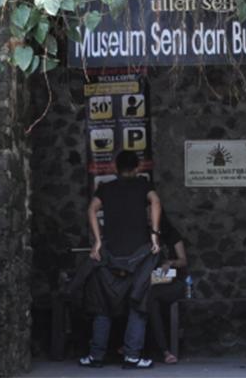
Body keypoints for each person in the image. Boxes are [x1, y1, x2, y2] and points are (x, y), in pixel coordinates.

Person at [73, 151, 162, 370]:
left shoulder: (106, 189)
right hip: (139, 254)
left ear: (115, 167)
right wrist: (154, 233)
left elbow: (91, 209)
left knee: (103, 306)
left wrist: (97, 242)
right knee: (137, 304)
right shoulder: (143, 186)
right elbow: (156, 201)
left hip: (111, 255)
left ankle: (96, 357)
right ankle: (132, 357)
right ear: (138, 167)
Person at [144, 213, 188, 364]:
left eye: (152, 214)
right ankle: (163, 350)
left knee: (150, 296)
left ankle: (161, 350)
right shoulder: (145, 234)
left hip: (175, 281)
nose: (149, 218)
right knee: (148, 298)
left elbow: (183, 261)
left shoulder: (172, 234)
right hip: (155, 282)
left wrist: (170, 263)